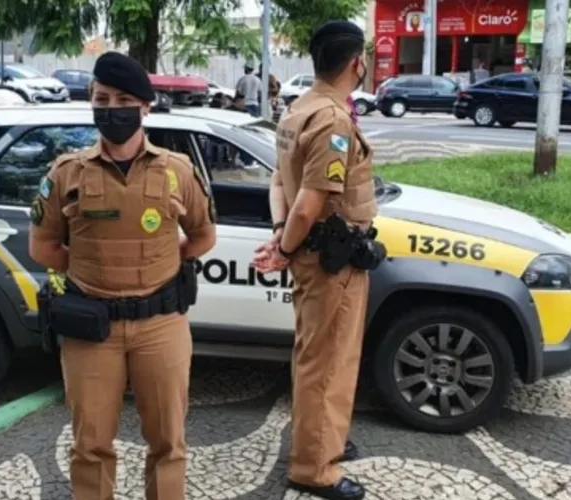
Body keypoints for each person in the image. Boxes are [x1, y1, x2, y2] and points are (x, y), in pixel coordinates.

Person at [28, 51, 217, 500]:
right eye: (102, 98)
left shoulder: (177, 171)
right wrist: (97, 269)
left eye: (123, 99)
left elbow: (204, 235)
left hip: (161, 324)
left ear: (146, 106)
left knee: (168, 442)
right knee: (90, 444)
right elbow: (43, 247)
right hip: (93, 329)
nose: (112, 109)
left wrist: (168, 260)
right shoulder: (65, 173)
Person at [253, 20, 377, 500]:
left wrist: (282, 237)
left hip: (318, 254)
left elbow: (278, 184)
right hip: (331, 262)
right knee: (325, 366)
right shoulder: (331, 121)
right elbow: (308, 201)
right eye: (364, 58)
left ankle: (325, 439)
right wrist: (285, 246)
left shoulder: (295, 112)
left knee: (324, 360)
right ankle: (314, 469)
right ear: (355, 63)